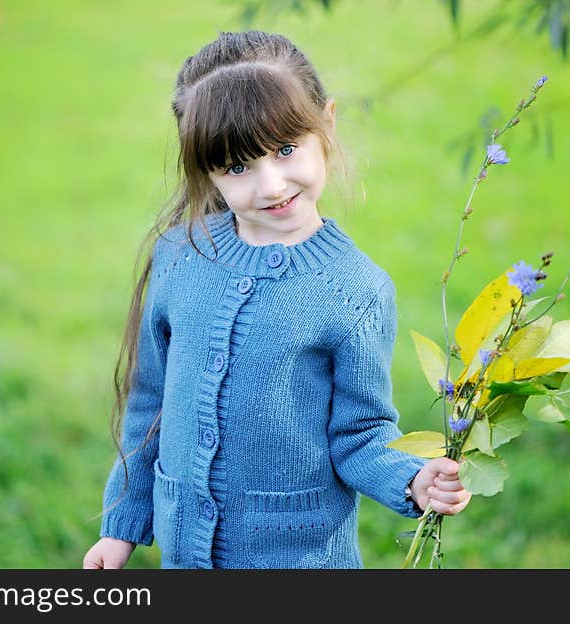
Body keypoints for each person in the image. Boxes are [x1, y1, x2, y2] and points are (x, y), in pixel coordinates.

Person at [82, 30, 470, 570]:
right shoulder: (181, 257)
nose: (269, 184)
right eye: (237, 167)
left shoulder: (356, 290)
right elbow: (152, 405)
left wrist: (412, 478)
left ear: (326, 124)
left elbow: (359, 436)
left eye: (286, 150)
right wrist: (121, 526)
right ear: (208, 170)